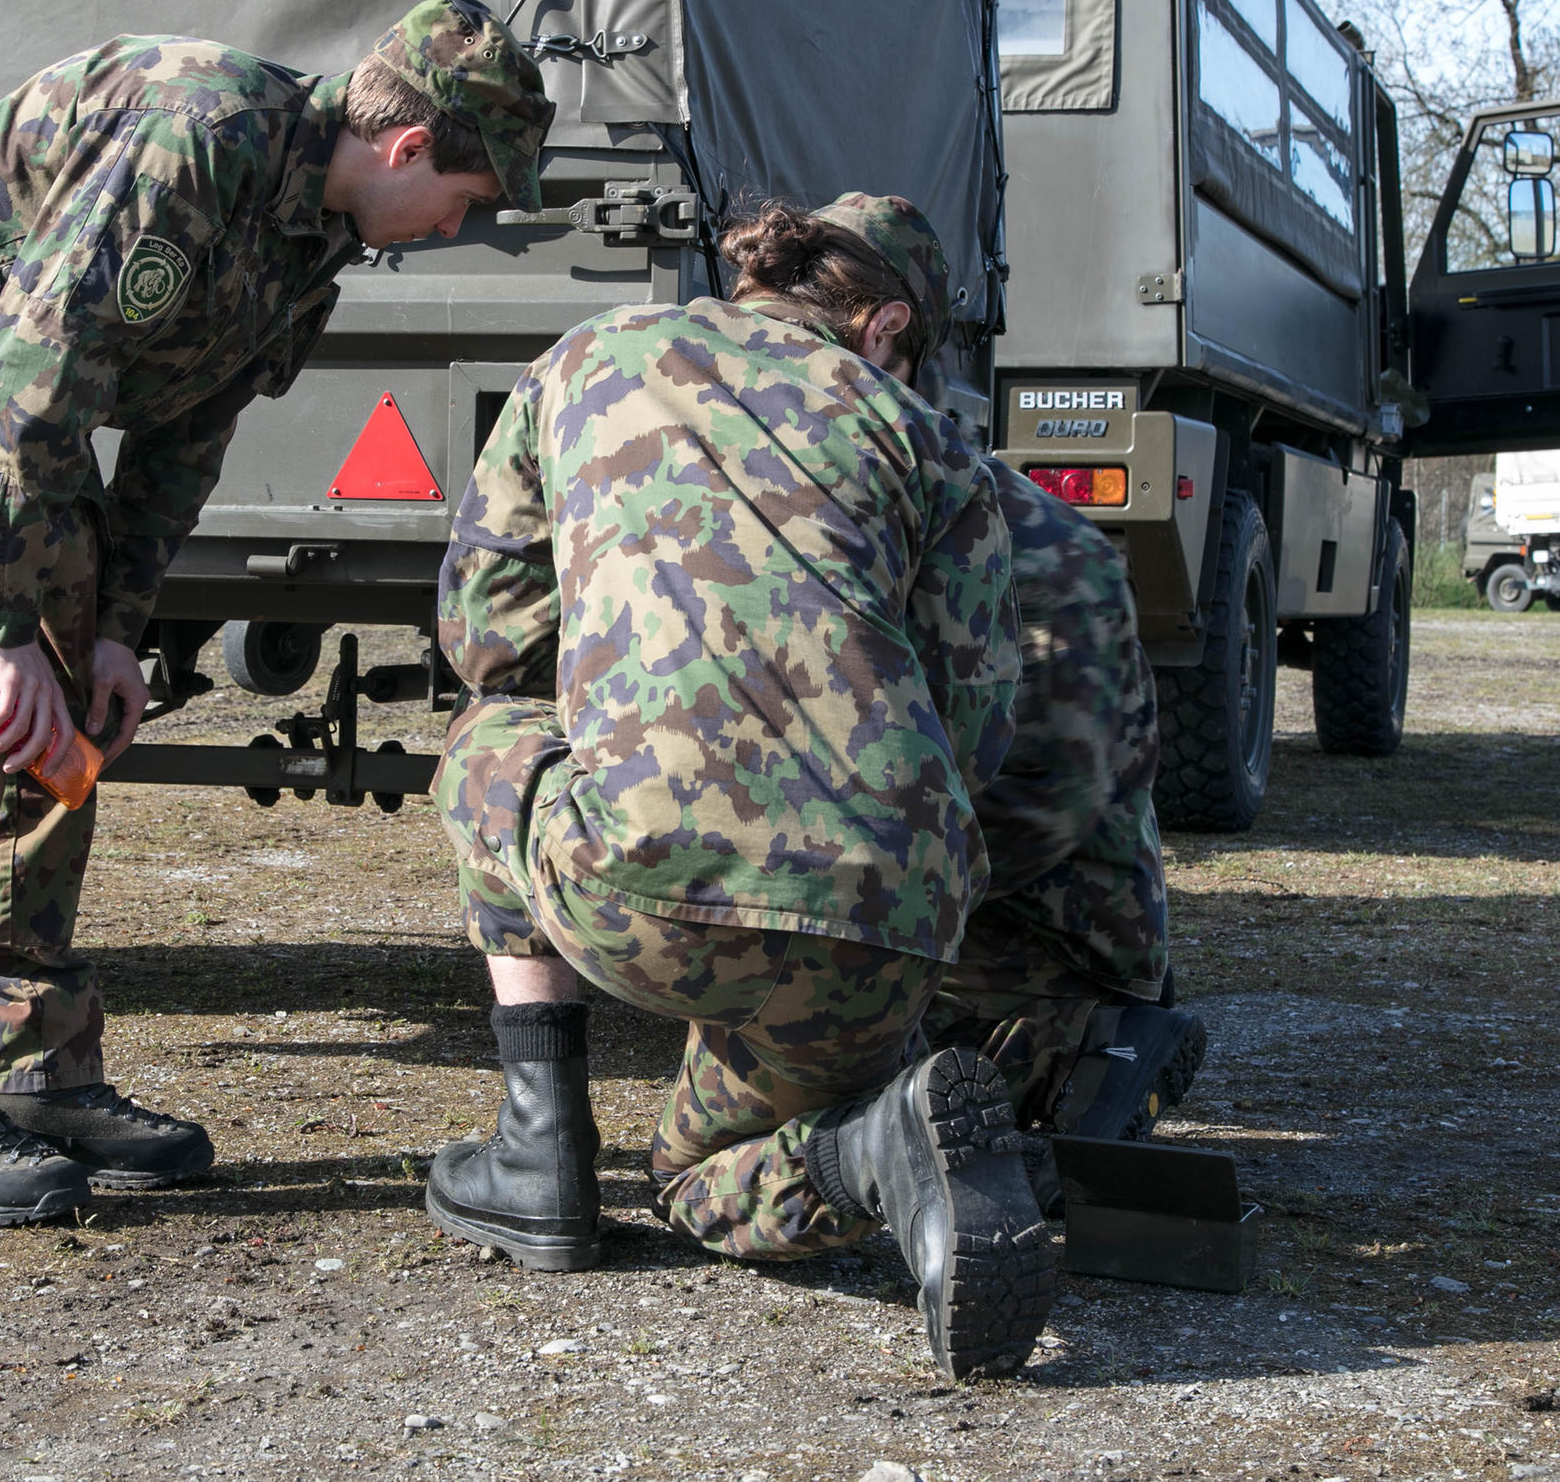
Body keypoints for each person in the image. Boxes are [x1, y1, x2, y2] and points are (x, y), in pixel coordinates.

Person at [0, 0, 554, 1227]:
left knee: (68, 719)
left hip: (12, 401)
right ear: (409, 148)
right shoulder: (192, 134)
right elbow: (23, 394)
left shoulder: (316, 238)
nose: (455, 226)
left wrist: (103, 635)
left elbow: (184, 440)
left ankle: (37, 1069)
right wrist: (8, 633)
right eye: (463, 199)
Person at [423, 194, 1054, 1381]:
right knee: (707, 1181)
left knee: (489, 731)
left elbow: (487, 631)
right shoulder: (927, 441)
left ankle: (540, 1148)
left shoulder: (585, 359)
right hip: (885, 917)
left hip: (639, 891)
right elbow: (975, 718)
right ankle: (874, 1150)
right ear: (885, 326)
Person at [924, 462, 1205, 1210]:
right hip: (967, 890)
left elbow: (1046, 806)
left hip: (1057, 922)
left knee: (892, 1092)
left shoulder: (1043, 549)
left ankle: (1094, 1041)